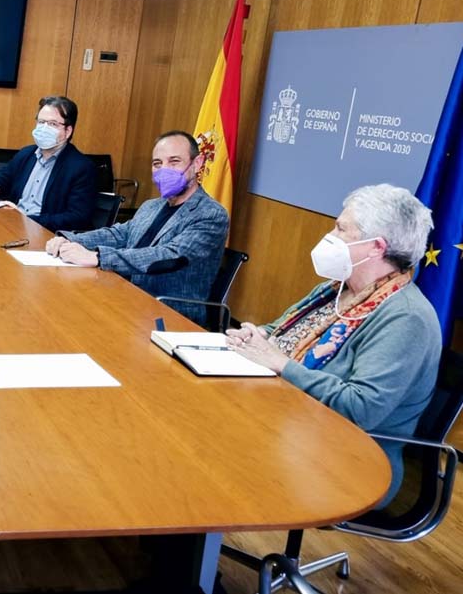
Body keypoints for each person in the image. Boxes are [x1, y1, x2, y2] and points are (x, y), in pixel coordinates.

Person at [225, 184, 440, 505]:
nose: (331, 234)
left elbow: (359, 409)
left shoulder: (407, 318)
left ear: (376, 247)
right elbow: (280, 330)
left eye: (341, 228)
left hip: (354, 459)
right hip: (291, 418)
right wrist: (256, 336)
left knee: (213, 442)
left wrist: (281, 364)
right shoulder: (338, 289)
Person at [45, 130, 228, 321]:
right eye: (157, 163)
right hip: (125, 296)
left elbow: (168, 256)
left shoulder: (210, 214)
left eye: (174, 162)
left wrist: (98, 257)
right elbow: (119, 234)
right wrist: (68, 239)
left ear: (197, 164)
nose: (164, 169)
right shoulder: (152, 205)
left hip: (168, 313)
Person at [0, 96, 97, 232]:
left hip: (45, 234)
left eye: (52, 124)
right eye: (41, 122)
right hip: (10, 227)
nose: (44, 129)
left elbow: (78, 217)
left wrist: (27, 219)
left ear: (68, 131)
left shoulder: (81, 167)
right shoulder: (26, 154)